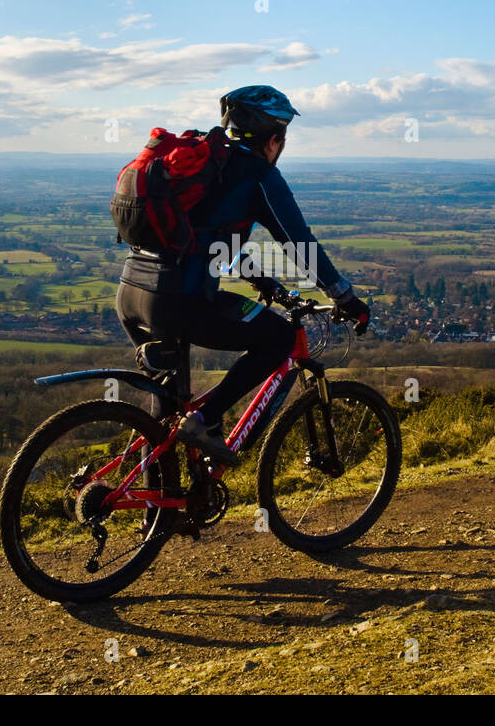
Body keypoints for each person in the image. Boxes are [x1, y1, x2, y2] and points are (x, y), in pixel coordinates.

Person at [114, 84, 370, 466]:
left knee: (166, 411)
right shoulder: (258, 174)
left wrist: (264, 283)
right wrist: (345, 297)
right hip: (181, 300)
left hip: (133, 293)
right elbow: (299, 242)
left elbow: (208, 241)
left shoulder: (210, 163)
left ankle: (162, 512)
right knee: (279, 338)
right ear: (275, 137)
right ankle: (205, 421)